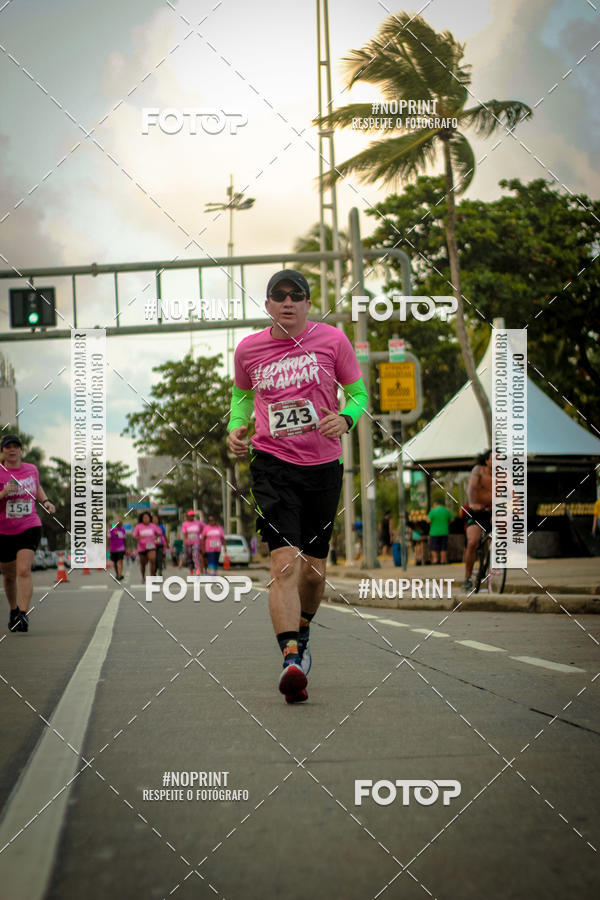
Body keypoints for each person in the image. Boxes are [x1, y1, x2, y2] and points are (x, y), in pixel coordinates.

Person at [227, 269, 368, 703]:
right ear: (267, 304)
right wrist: (236, 427)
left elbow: (359, 392)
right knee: (284, 564)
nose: (288, 302)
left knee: (313, 571)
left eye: (297, 295)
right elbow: (243, 397)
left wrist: (345, 418)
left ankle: (303, 629)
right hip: (271, 464)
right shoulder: (249, 349)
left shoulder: (333, 341)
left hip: (323, 466)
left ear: (308, 304)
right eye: (278, 295)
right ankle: (290, 656)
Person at [0, 434, 56, 632]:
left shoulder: (31, 469)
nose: (12, 450)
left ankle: (23, 614)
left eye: (16, 446)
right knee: (8, 576)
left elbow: (37, 487)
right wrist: (4, 493)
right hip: (4, 531)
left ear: (21, 450)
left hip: (29, 526)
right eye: (8, 447)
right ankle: (14, 609)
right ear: (3, 451)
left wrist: (46, 501)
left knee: (23, 570)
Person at [463, 450, 492, 590]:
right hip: (477, 512)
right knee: (472, 542)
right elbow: (471, 488)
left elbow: (511, 491)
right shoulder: (478, 471)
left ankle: (491, 564)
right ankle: (467, 578)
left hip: (493, 511)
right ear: (487, 461)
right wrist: (473, 503)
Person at [132, 511, 164, 580]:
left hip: (151, 546)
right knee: (143, 563)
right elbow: (134, 536)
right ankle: (143, 576)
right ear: (142, 519)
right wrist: (138, 538)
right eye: (144, 518)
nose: (146, 519)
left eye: (147, 517)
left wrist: (155, 536)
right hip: (141, 547)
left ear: (150, 518)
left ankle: (152, 576)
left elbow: (160, 532)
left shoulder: (153, 526)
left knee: (152, 560)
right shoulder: (138, 526)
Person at [427, 497, 454, 564]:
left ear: (435, 504)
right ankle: (442, 560)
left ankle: (435, 560)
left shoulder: (432, 511)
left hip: (434, 532)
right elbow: (452, 519)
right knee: (443, 546)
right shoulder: (446, 510)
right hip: (444, 531)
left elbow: (428, 520)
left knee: (433, 546)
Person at [181, 510, 205, 574]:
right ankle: (191, 568)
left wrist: (201, 535)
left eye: (193, 516)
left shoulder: (198, 523)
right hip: (188, 543)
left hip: (196, 542)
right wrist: (184, 542)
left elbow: (205, 528)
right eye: (191, 516)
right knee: (189, 556)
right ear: (187, 516)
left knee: (195, 555)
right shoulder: (185, 524)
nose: (192, 517)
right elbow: (185, 534)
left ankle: (197, 569)